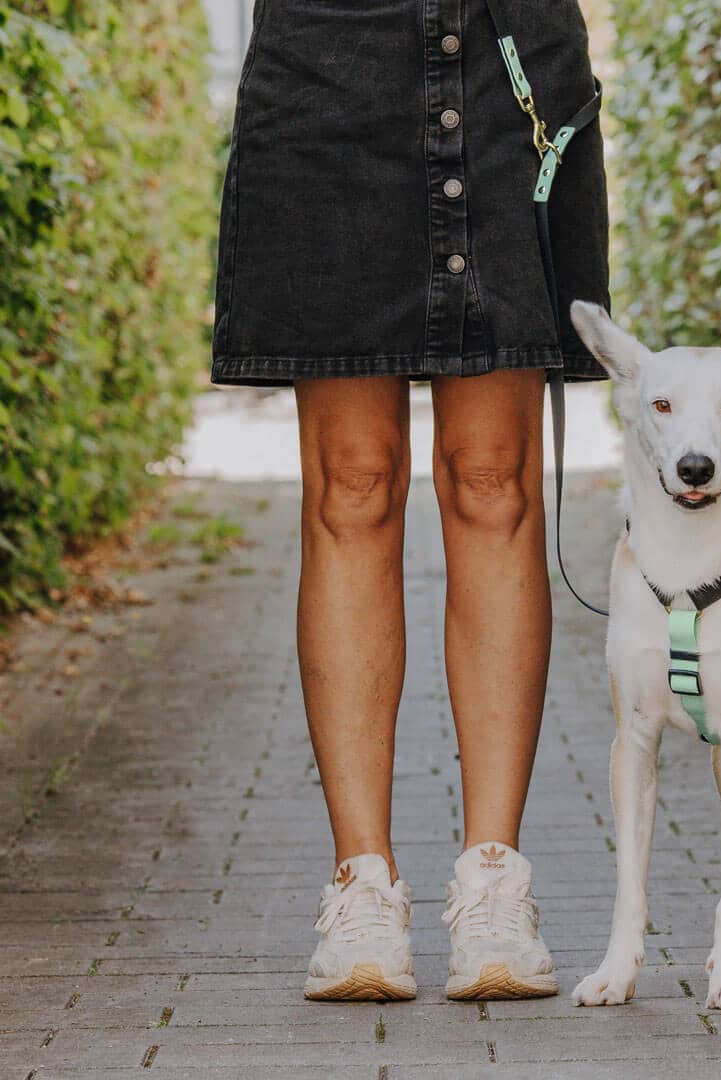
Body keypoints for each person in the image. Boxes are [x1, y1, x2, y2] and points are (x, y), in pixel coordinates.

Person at [210, 0, 609, 1002]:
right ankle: (363, 892)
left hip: (509, 65)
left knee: (494, 482)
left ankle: (494, 887)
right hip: (325, 67)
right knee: (352, 486)